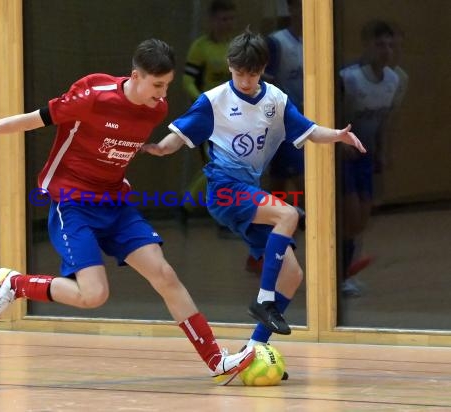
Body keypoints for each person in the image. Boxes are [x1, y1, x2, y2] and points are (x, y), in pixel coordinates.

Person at [0, 38, 253, 385]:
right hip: (72, 202)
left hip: (115, 203)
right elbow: (31, 120)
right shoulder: (93, 94)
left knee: (165, 275)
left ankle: (216, 359)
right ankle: (16, 283)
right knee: (93, 295)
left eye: (168, 86)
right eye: (157, 85)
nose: (162, 95)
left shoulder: (155, 109)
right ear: (135, 76)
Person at [142, 28, 366, 336]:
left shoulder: (275, 100)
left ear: (263, 70)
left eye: (252, 74)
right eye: (239, 74)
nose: (245, 81)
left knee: (292, 274)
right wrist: (155, 148)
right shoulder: (214, 101)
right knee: (288, 213)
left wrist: (337, 136)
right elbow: (175, 140)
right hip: (224, 190)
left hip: (249, 192)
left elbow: (309, 130)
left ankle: (255, 348)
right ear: (231, 67)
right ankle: (264, 299)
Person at [339, 20, 402, 297]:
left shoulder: (394, 80)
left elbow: (385, 121)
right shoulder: (350, 78)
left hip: (366, 157)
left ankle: (345, 273)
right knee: (350, 216)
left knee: (362, 220)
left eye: (390, 44)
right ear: (367, 46)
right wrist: (339, 141)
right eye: (379, 44)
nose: (385, 50)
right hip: (343, 157)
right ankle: (337, 275)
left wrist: (384, 151)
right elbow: (329, 113)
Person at [247, 0, 305, 274]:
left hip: (306, 125)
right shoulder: (277, 43)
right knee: (284, 187)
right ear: (291, 9)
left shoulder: (318, 43)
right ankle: (264, 251)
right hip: (281, 128)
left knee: (303, 190)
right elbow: (262, 84)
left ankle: (278, 249)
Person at [182, 0, 237, 217]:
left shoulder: (237, 47)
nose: (228, 23)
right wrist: (202, 101)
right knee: (218, 166)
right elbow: (187, 80)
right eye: (223, 19)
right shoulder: (200, 47)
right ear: (212, 21)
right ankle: (221, 215)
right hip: (209, 115)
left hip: (235, 113)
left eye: (231, 19)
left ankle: (186, 205)